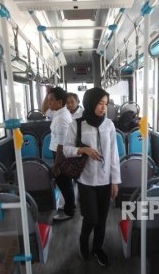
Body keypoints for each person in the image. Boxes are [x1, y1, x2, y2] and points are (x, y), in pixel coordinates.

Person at [63, 87, 121, 266]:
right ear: (90, 103)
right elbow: (66, 149)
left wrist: (115, 181)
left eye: (106, 104)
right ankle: (83, 241)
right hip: (86, 180)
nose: (104, 108)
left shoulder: (109, 125)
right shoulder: (77, 124)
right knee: (91, 218)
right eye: (100, 103)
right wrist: (83, 149)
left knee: (102, 219)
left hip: (105, 180)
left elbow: (114, 154)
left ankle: (97, 248)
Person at [47, 87, 76, 221]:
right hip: (59, 154)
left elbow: (61, 144)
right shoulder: (59, 113)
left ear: (59, 101)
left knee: (64, 182)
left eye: (51, 100)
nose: (49, 103)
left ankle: (69, 210)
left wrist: (57, 164)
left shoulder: (61, 118)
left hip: (61, 155)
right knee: (65, 182)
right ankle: (69, 206)